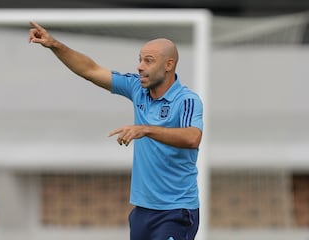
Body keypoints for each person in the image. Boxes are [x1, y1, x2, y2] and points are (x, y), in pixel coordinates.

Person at [29, 21, 203, 240]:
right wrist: (54, 44)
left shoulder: (186, 100)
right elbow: (90, 70)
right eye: (140, 60)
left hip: (176, 211)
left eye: (148, 61)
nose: (140, 66)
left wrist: (146, 130)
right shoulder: (137, 89)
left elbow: (192, 137)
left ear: (169, 65)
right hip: (142, 211)